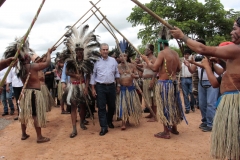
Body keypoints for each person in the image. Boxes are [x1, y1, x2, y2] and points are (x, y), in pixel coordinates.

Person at [170, 17, 240, 159]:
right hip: (230, 99)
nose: (231, 32)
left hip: (234, 100)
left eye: (235, 28)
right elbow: (227, 75)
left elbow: (202, 49)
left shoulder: (237, 49)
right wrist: (221, 63)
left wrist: (182, 37)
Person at [141, 27, 186, 139]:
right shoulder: (175, 53)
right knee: (173, 105)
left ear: (160, 44)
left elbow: (155, 68)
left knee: (165, 106)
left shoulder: (162, 53)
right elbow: (179, 69)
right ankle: (174, 128)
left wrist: (147, 61)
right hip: (174, 84)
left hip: (164, 84)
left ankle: (166, 131)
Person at [62, 25, 100, 138]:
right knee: (73, 106)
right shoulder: (70, 61)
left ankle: (82, 121)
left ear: (83, 51)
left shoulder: (87, 62)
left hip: (83, 85)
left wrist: (86, 87)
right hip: (73, 86)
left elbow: (88, 75)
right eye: (77, 51)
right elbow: (67, 72)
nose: (79, 52)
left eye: (80, 51)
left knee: (83, 105)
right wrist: (75, 75)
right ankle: (74, 129)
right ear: (75, 51)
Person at [183, 39, 222, 132]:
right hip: (201, 83)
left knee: (210, 103)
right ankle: (205, 121)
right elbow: (192, 70)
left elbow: (208, 67)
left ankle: (211, 123)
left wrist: (197, 62)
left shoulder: (211, 54)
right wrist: (189, 65)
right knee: (202, 103)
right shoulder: (196, 56)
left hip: (211, 82)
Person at [90, 43, 120, 136]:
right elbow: (93, 75)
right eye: (104, 49)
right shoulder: (96, 61)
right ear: (100, 51)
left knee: (112, 106)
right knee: (101, 107)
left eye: (107, 49)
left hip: (111, 86)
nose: (105, 51)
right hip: (100, 86)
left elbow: (117, 73)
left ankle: (109, 121)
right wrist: (93, 88)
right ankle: (103, 127)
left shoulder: (113, 60)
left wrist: (118, 85)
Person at [116, 42, 142, 130]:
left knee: (130, 105)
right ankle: (123, 122)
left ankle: (127, 121)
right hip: (122, 88)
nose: (123, 58)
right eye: (121, 56)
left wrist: (134, 76)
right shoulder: (117, 67)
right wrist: (118, 85)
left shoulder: (132, 66)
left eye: (125, 56)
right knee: (123, 106)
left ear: (127, 57)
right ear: (119, 58)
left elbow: (138, 76)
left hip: (131, 88)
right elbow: (116, 78)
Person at [137, 44, 157, 122]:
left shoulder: (154, 59)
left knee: (153, 98)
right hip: (145, 81)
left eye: (146, 49)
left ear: (150, 51)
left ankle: (155, 116)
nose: (145, 51)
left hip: (150, 80)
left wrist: (153, 80)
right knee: (149, 98)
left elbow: (156, 70)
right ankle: (151, 114)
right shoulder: (147, 59)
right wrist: (136, 65)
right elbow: (144, 70)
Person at [180, 49, 195, 113]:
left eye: (188, 54)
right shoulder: (181, 61)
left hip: (191, 78)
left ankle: (192, 105)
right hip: (183, 78)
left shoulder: (192, 61)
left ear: (190, 55)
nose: (186, 55)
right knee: (185, 94)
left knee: (192, 93)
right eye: (185, 54)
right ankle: (187, 108)